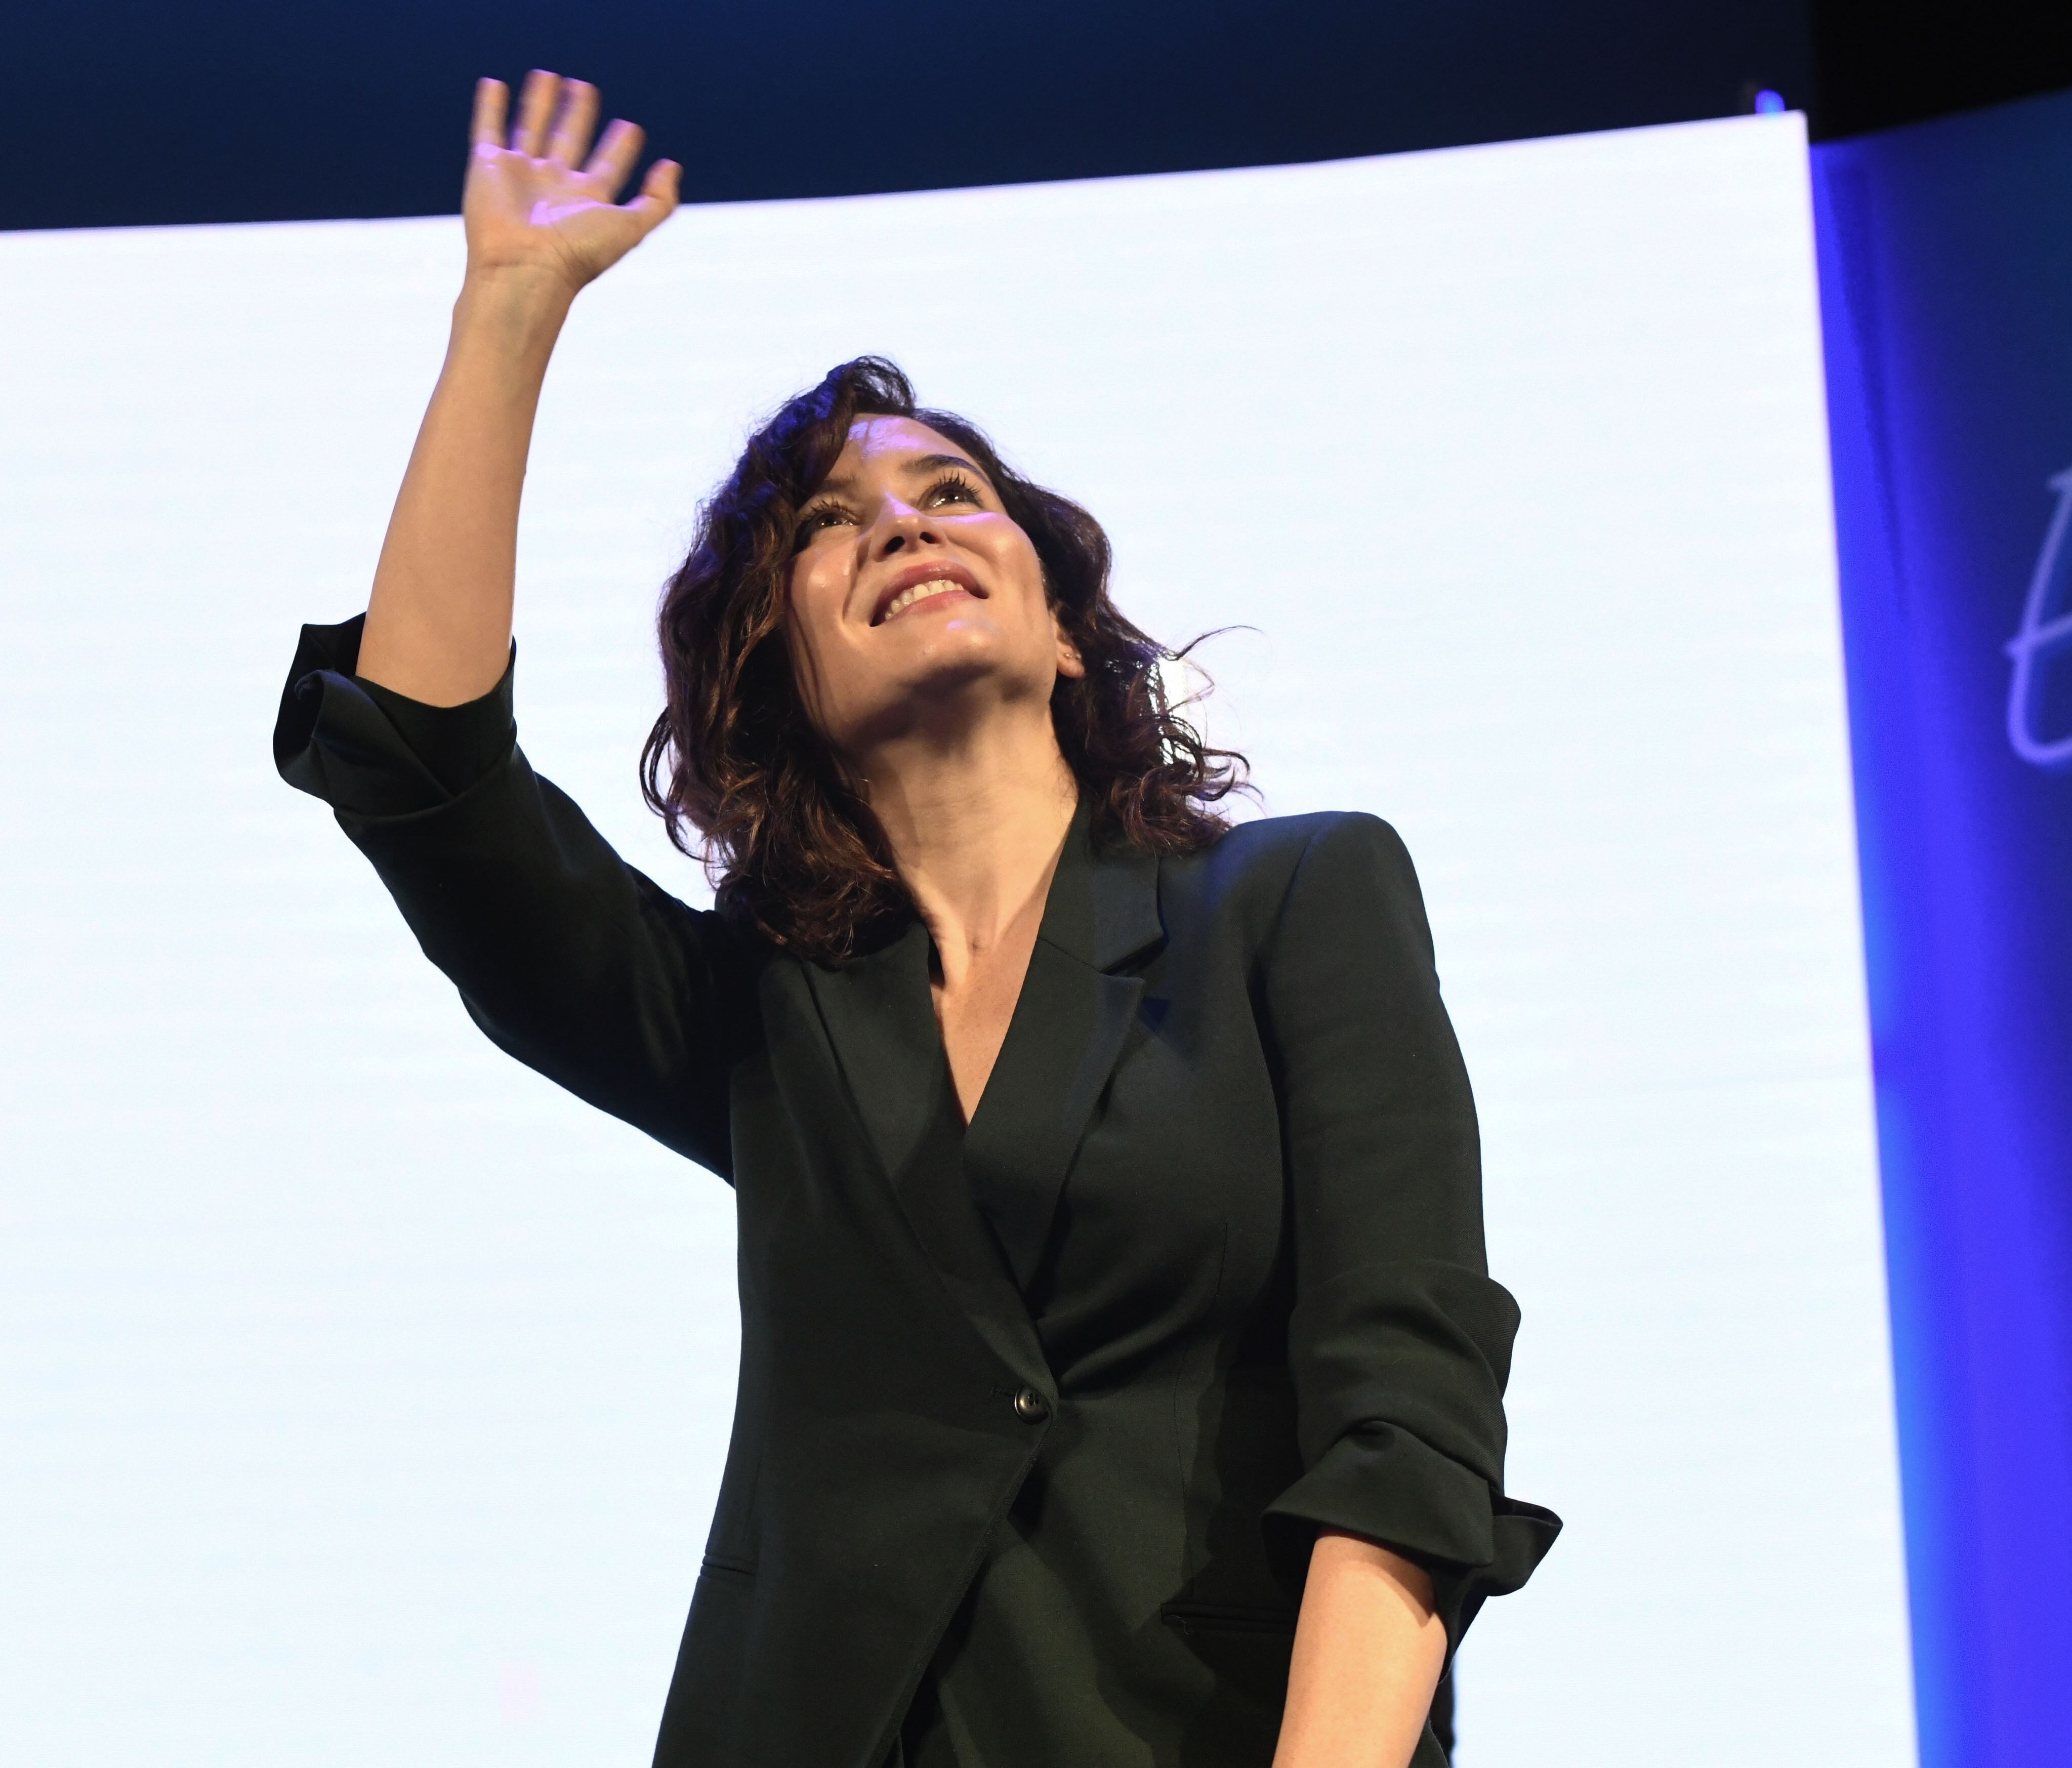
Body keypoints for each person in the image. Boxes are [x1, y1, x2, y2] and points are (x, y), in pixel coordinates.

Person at [274, 69, 1554, 1768]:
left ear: (1063, 620)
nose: (900, 520)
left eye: (950, 491)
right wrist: (508, 315)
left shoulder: (1297, 899)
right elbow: (424, 780)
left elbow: (1408, 1411)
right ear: (777, 676)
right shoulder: (765, 1013)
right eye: (829, 522)